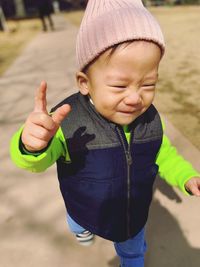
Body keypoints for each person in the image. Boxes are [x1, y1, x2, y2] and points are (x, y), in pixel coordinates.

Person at [10, 0, 200, 266]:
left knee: (133, 253)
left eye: (148, 83)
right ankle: (81, 228)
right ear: (85, 83)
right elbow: (38, 161)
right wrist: (33, 145)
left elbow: (163, 154)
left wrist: (186, 177)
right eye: (120, 85)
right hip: (83, 207)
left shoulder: (150, 120)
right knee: (78, 224)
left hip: (131, 216)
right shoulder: (68, 119)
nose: (135, 98)